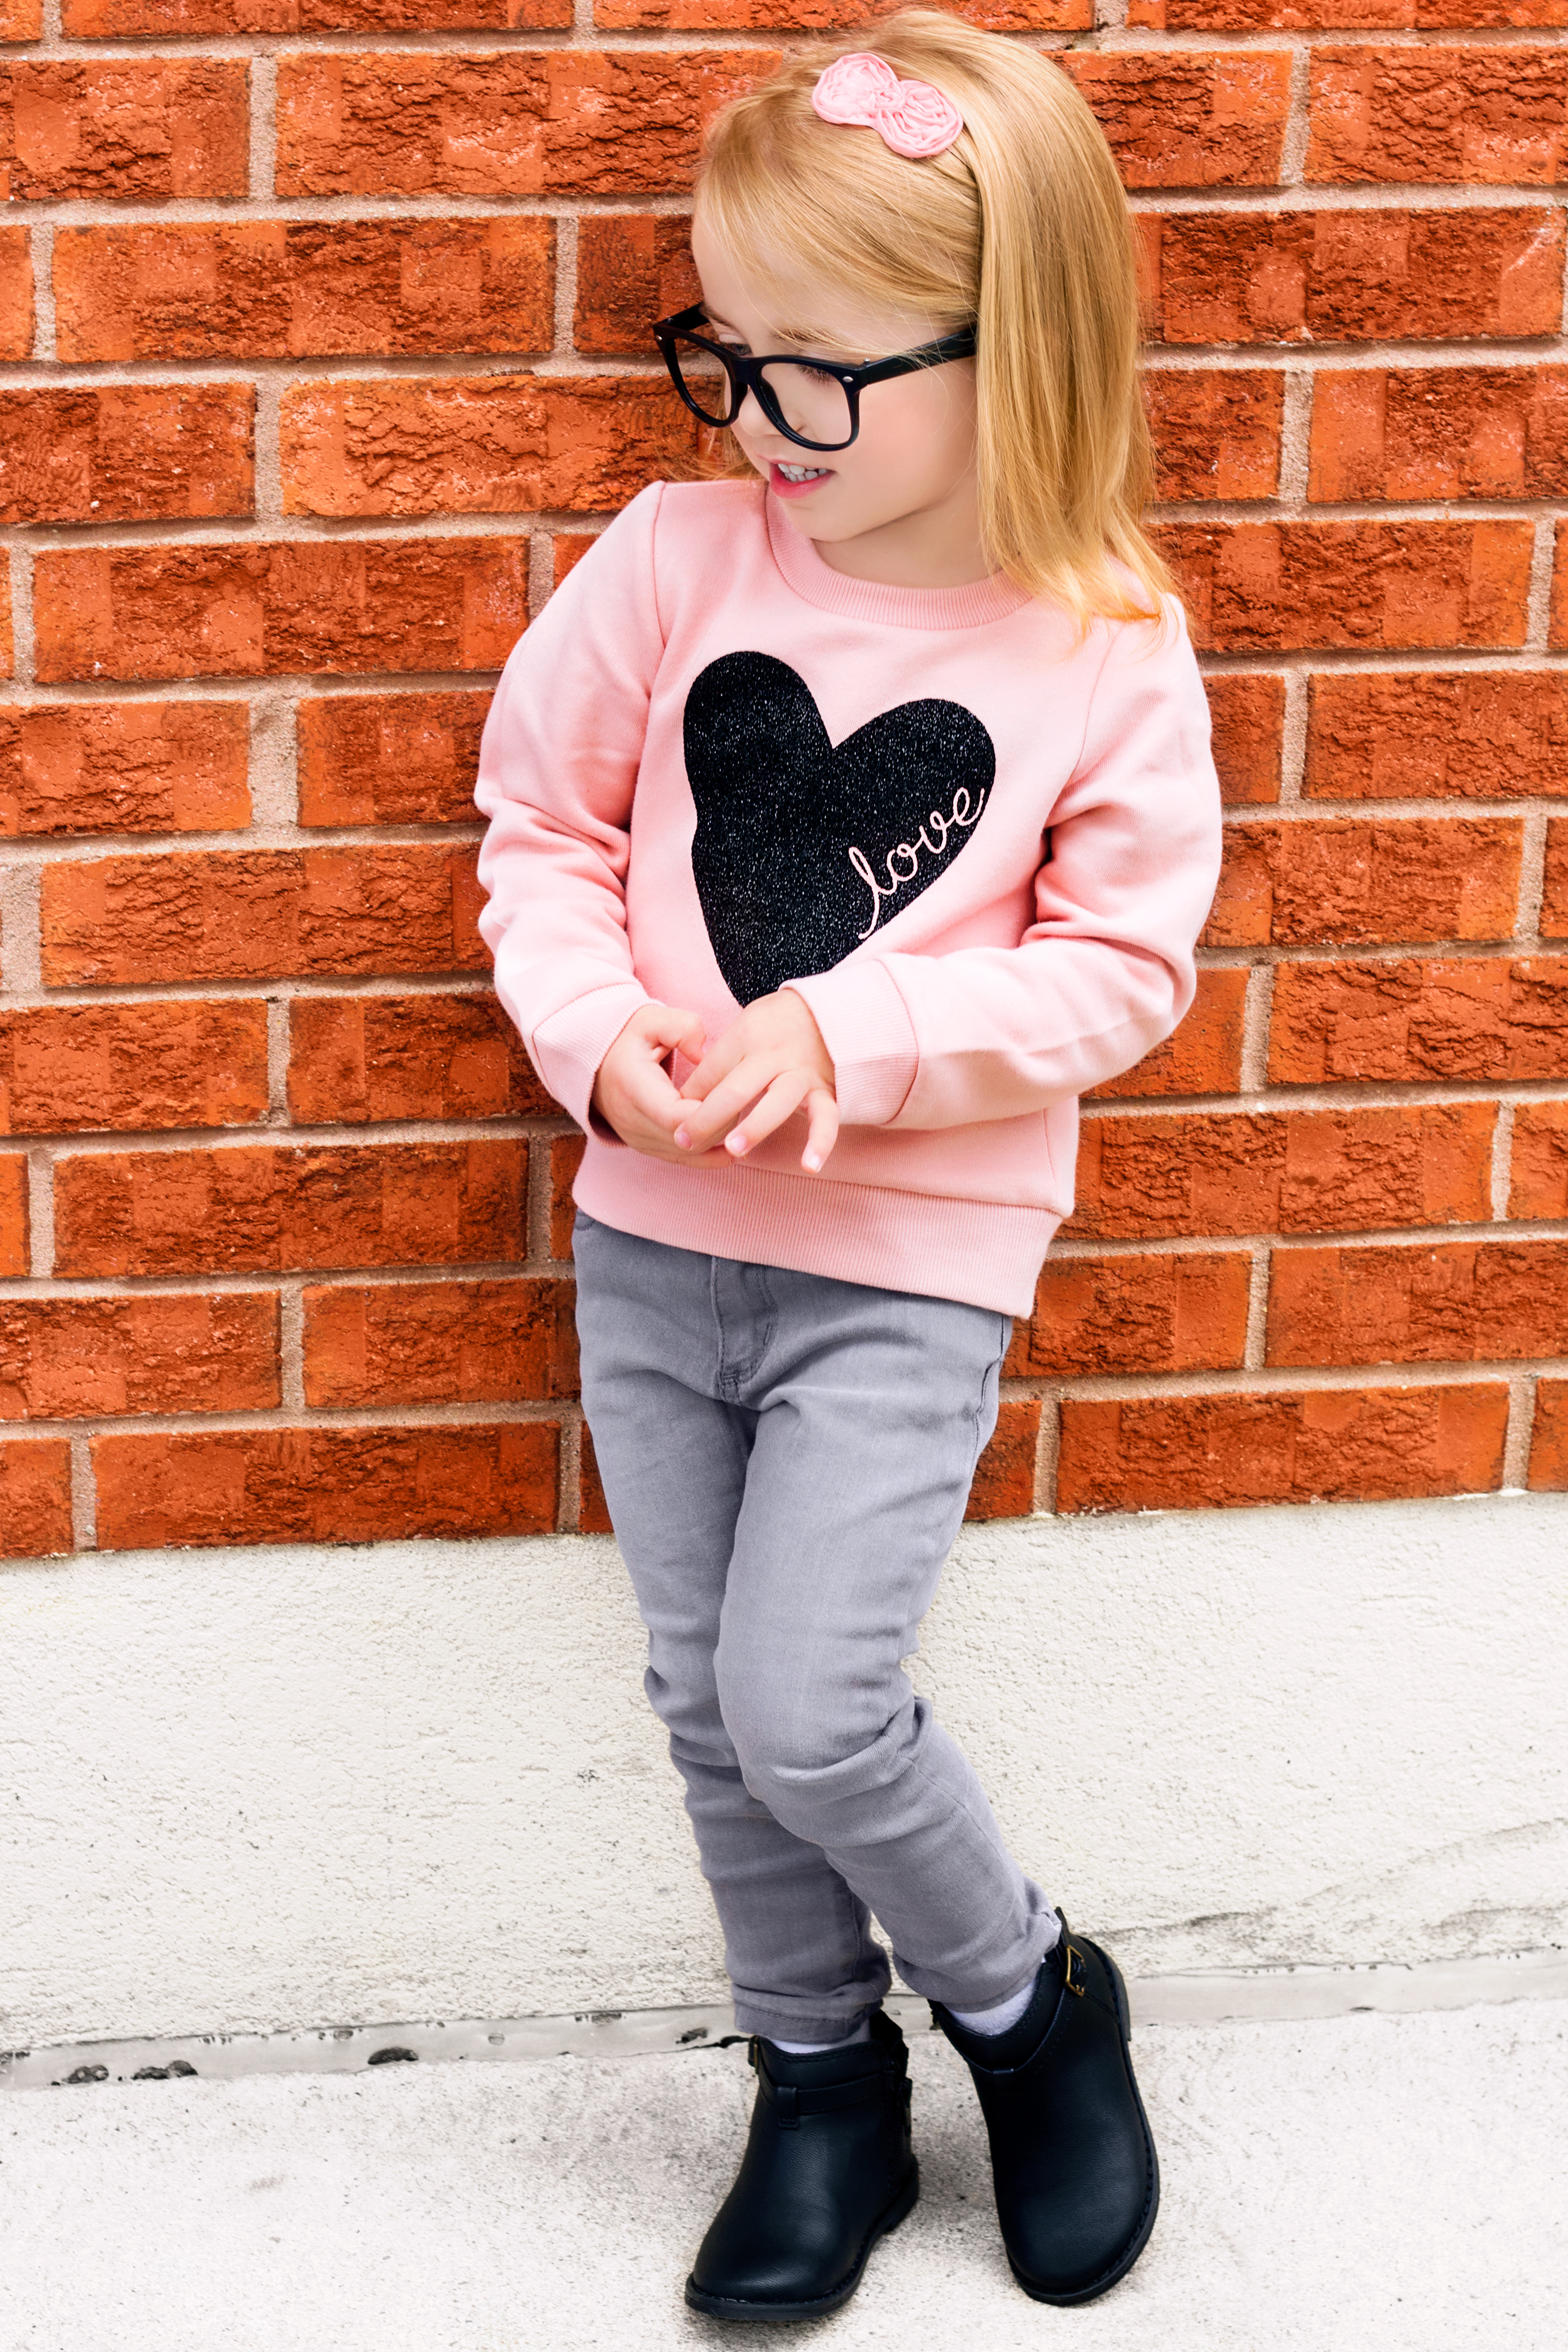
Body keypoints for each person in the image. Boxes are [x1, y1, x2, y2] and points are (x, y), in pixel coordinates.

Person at [475, 10, 1222, 2320]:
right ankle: (817, 2085)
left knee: (811, 1700)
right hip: (654, 1233)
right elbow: (541, 831)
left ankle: (1018, 2000)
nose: (758, 421)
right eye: (732, 358)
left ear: (1020, 355)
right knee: (704, 1708)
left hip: (902, 1264)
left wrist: (860, 1031)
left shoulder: (1095, 643)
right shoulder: (672, 559)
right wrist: (603, 1048)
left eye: (819, 370)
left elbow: (1120, 970)